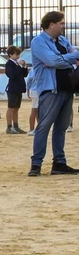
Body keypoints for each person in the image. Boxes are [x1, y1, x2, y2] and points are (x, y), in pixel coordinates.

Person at [27, 10, 79, 176]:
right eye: (61, 23)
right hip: (50, 89)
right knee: (43, 127)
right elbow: (52, 60)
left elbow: (62, 59)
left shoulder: (63, 40)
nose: (64, 26)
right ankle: (36, 164)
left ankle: (59, 163)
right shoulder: (38, 42)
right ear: (51, 24)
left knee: (61, 128)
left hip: (66, 88)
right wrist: (66, 58)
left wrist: (60, 59)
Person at [5, 45, 29, 135]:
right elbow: (12, 74)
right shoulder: (9, 64)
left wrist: (24, 67)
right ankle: (9, 126)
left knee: (16, 108)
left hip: (19, 88)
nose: (18, 56)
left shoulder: (16, 64)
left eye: (19, 54)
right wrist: (19, 66)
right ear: (10, 55)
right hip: (12, 88)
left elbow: (24, 74)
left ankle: (16, 126)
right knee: (11, 108)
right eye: (16, 54)